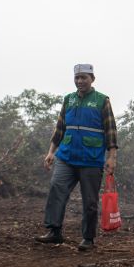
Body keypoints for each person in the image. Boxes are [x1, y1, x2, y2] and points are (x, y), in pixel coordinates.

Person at [35, 64, 118, 251]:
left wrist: (112, 157)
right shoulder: (69, 100)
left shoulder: (101, 101)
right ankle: (53, 231)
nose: (80, 81)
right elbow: (60, 129)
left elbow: (111, 130)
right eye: (77, 77)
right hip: (66, 156)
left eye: (84, 77)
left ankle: (88, 238)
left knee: (90, 201)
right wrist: (51, 152)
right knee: (57, 188)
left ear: (92, 79)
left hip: (91, 158)